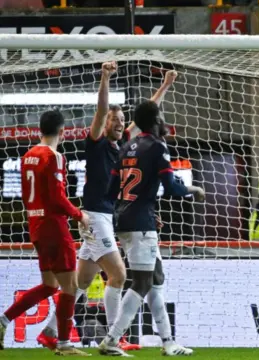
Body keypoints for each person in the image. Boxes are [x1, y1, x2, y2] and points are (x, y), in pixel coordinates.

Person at [37, 63, 179, 352]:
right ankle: (118, 338)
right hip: (95, 217)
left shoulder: (123, 146)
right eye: (114, 120)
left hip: (105, 217)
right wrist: (105, 78)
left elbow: (145, 116)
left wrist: (164, 86)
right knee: (119, 275)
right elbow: (101, 111)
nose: (118, 123)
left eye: (121, 120)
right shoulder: (98, 143)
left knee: (81, 281)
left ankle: (50, 331)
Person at [97, 100, 205, 356]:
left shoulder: (125, 148)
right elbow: (171, 187)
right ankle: (111, 339)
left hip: (124, 221)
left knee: (156, 280)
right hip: (141, 224)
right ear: (156, 119)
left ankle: (168, 342)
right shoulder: (157, 146)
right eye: (161, 115)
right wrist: (194, 189)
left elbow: (112, 191)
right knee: (143, 283)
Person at [0, 110, 90, 356]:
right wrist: (79, 215)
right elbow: (57, 197)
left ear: (40, 129)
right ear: (62, 132)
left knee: (50, 285)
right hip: (54, 227)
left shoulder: (28, 155)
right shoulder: (54, 156)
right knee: (70, 286)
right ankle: (64, 344)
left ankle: (4, 321)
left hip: (36, 227)